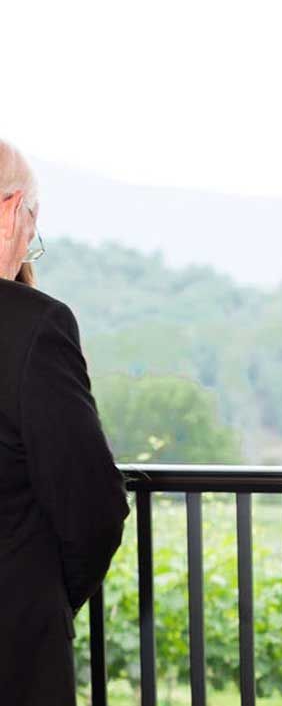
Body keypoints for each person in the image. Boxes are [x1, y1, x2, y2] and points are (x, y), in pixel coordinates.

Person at [0, 139, 130, 705]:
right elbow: (92, 505)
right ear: (11, 211)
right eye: (33, 223)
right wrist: (47, 596)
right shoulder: (33, 325)